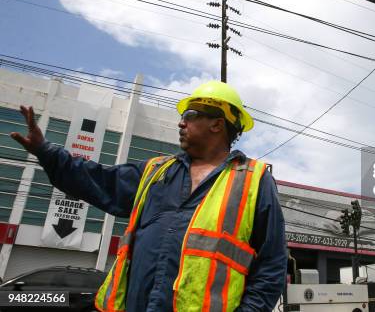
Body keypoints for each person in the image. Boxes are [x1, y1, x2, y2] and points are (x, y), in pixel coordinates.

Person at [11, 81, 287, 312]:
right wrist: (46, 151)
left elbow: (271, 265)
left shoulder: (253, 180)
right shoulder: (155, 172)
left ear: (217, 123)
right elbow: (97, 179)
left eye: (190, 114)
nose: (181, 122)